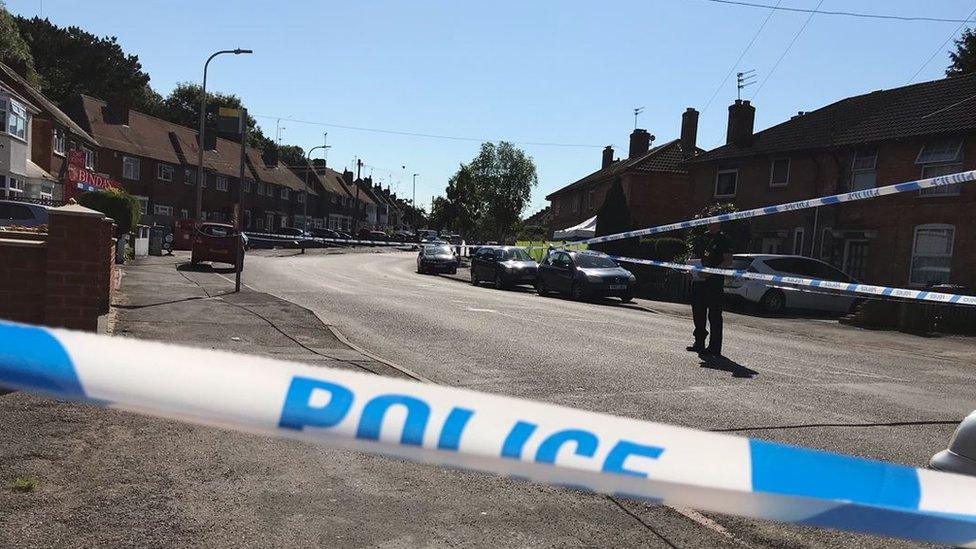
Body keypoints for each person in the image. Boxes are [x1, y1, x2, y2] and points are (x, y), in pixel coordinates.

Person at [686, 221, 732, 357]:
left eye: (712, 222)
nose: (709, 224)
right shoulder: (702, 238)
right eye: (708, 222)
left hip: (714, 282)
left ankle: (714, 347)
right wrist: (689, 270)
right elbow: (694, 257)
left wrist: (711, 272)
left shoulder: (723, 239)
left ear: (719, 223)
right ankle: (699, 342)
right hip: (699, 280)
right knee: (698, 312)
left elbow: (728, 261)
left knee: (714, 315)